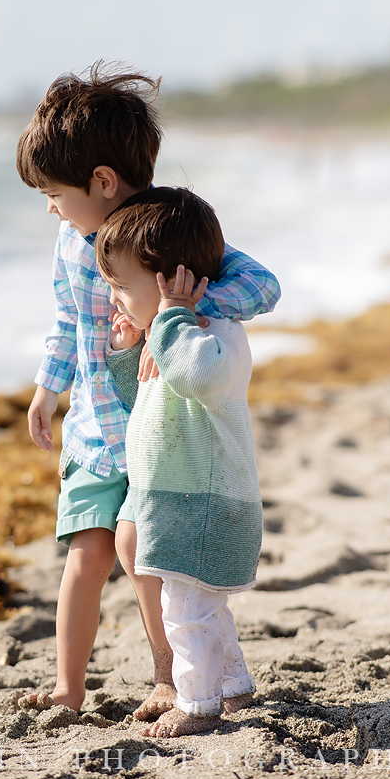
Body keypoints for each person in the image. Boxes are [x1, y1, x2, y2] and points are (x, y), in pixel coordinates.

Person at [15, 64, 276, 717]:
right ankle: (67, 687)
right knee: (86, 555)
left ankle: (171, 675)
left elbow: (261, 286)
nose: (49, 206)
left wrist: (177, 312)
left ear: (101, 181)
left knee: (145, 557)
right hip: (92, 434)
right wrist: (49, 389)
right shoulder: (69, 244)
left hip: (157, 439)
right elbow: (68, 323)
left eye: (53, 192)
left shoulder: (163, 230)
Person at [97, 187, 261, 737]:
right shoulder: (172, 340)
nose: (113, 296)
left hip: (205, 504)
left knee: (185, 612)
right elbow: (147, 400)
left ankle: (196, 703)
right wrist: (128, 349)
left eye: (122, 286)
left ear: (172, 282)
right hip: (176, 499)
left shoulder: (212, 336)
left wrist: (168, 320)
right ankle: (232, 687)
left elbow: (196, 378)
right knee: (202, 607)